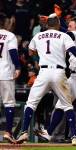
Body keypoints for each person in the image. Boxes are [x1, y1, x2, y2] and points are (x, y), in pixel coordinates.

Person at [16, 13, 76, 146]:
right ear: (58, 24)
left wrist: (41, 53)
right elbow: (75, 52)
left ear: (47, 24)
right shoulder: (63, 35)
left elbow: (29, 51)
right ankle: (74, 136)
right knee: (67, 105)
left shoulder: (38, 35)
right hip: (59, 72)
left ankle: (24, 132)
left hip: (43, 72)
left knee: (31, 103)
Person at [0, 12, 21, 143]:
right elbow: (13, 52)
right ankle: (8, 132)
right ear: (6, 22)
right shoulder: (9, 35)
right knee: (9, 103)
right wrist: (18, 67)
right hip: (5, 72)